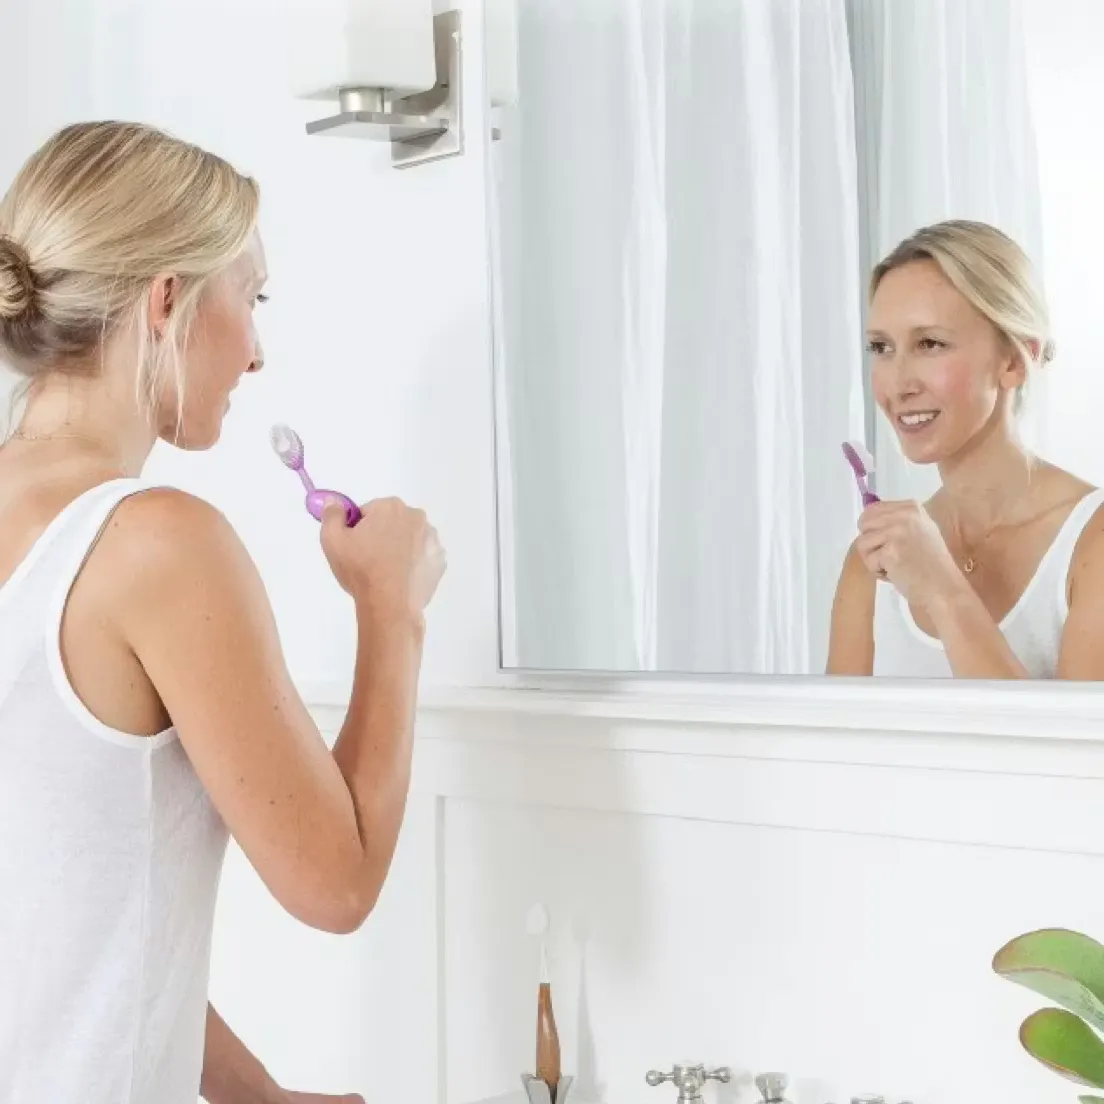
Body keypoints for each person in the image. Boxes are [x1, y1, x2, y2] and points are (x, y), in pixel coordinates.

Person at [0, 122, 446, 1102]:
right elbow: (336, 884)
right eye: (252, 297)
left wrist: (254, 1094)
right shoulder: (156, 543)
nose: (256, 351)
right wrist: (391, 609)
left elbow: (64, 912)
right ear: (167, 300)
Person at [827, 219, 1104, 679]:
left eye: (930, 344)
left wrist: (943, 591)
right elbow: (833, 750)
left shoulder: (1090, 547)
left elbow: (1073, 752)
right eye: (881, 347)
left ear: (1016, 360)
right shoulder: (873, 565)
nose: (898, 384)